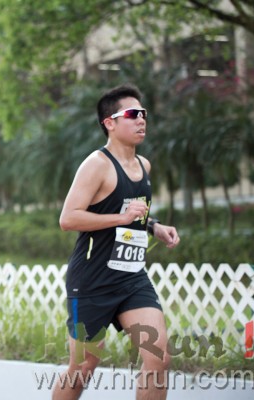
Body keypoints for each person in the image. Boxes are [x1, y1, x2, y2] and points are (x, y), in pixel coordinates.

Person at [53, 84, 180, 400]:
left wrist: (153, 226)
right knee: (83, 367)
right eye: (133, 114)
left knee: (159, 358)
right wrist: (120, 220)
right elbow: (68, 219)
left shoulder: (143, 165)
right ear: (109, 122)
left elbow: (131, 212)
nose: (141, 120)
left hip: (131, 278)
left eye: (143, 113)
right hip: (91, 282)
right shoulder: (96, 164)